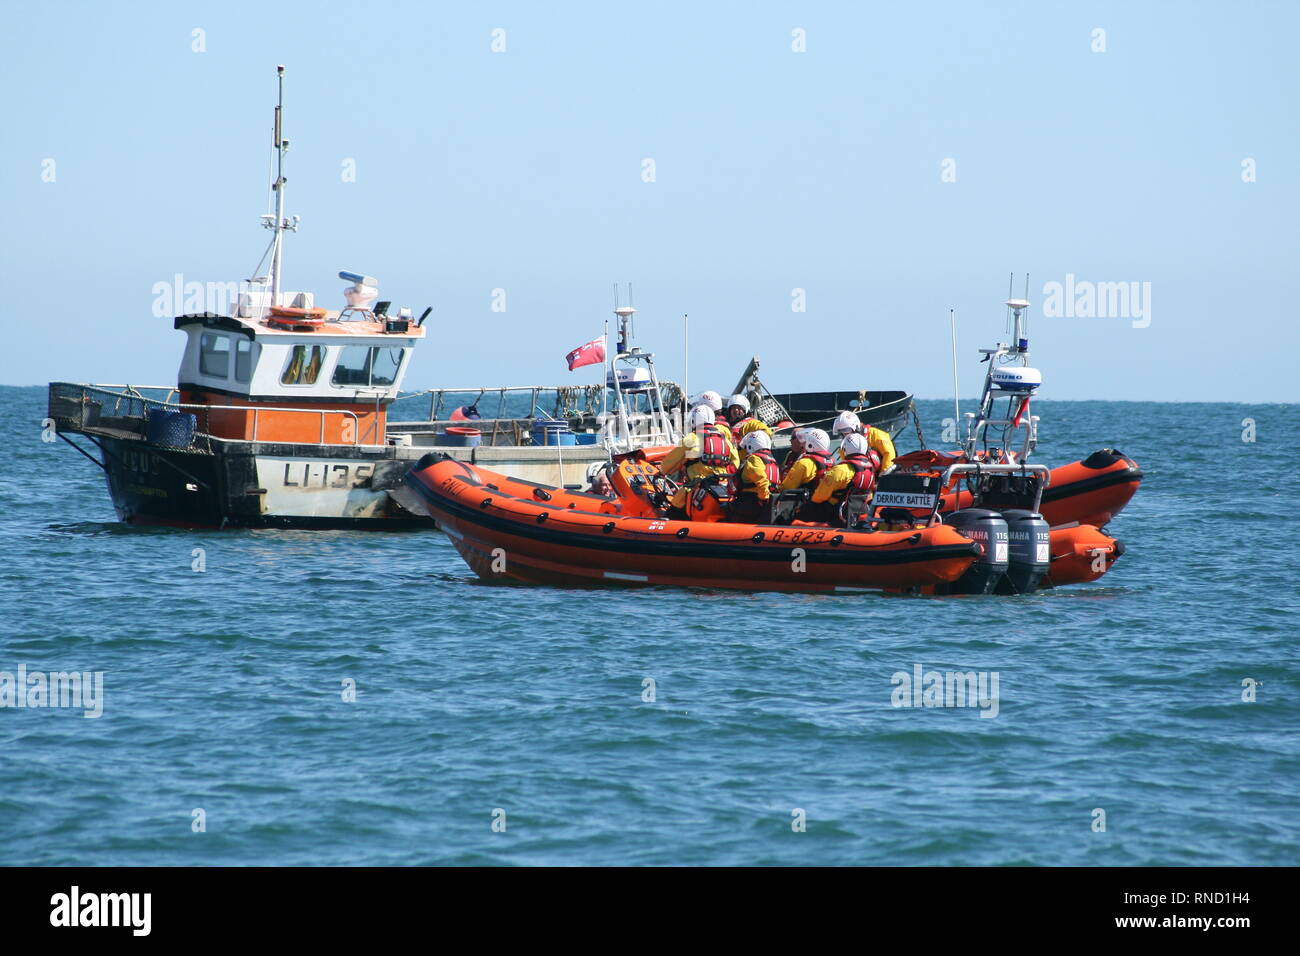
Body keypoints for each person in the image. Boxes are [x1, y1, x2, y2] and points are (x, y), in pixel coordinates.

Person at [657, 404, 738, 517]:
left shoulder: (692, 438)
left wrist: (661, 471)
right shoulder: (725, 440)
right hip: (721, 488)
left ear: (694, 420)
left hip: (696, 488)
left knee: (674, 508)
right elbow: (735, 463)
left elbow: (671, 462)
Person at [808, 432, 882, 526]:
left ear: (845, 449)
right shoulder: (870, 469)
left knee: (807, 507)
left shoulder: (841, 470)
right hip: (859, 512)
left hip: (837, 513)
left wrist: (810, 502)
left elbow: (819, 497)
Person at [728, 430, 779, 524]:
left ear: (751, 446)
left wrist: (763, 499)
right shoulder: (772, 460)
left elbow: (762, 480)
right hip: (767, 503)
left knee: (725, 509)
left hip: (751, 502)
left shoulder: (754, 459)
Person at [777, 428, 834, 492]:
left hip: (806, 500)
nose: (802, 444)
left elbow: (786, 487)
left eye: (805, 442)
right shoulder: (831, 461)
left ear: (810, 445)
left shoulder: (804, 463)